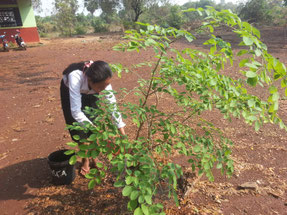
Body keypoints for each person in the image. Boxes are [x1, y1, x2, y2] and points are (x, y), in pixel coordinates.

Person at [60, 60, 126, 176]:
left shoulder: (103, 81)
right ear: (90, 80)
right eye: (101, 87)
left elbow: (112, 106)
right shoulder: (75, 77)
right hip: (71, 91)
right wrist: (97, 131)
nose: (104, 89)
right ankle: (85, 159)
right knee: (79, 129)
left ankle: (94, 156)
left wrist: (122, 132)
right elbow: (76, 112)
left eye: (105, 86)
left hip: (91, 91)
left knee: (93, 118)